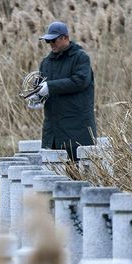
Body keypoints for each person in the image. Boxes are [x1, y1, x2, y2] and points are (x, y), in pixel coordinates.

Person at [26, 21, 96, 160]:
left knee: (79, 178)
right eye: (48, 41)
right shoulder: (46, 63)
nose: (51, 44)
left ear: (65, 38)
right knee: (51, 177)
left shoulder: (80, 57)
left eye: (53, 40)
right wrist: (36, 98)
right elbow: (40, 86)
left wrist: (50, 87)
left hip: (77, 131)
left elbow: (80, 81)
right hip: (52, 134)